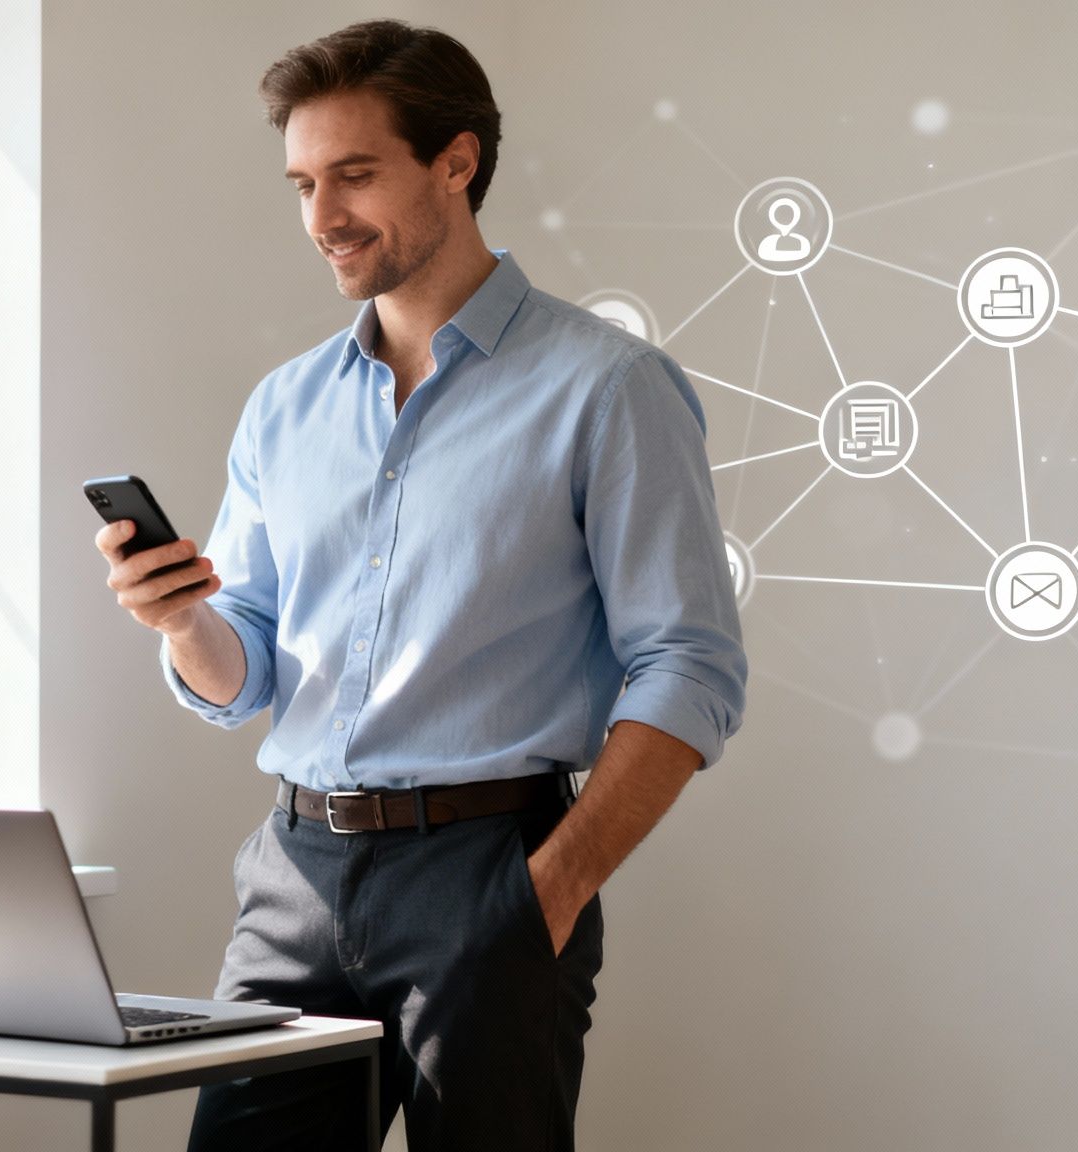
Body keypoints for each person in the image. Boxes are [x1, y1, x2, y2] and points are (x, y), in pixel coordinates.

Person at [90, 19, 748, 1152]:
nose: (319, 217)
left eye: (353, 175)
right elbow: (244, 668)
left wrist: (546, 892)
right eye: (301, 181)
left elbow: (687, 665)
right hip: (293, 876)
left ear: (457, 160)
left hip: (488, 876)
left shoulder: (607, 388)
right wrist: (181, 616)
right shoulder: (283, 407)